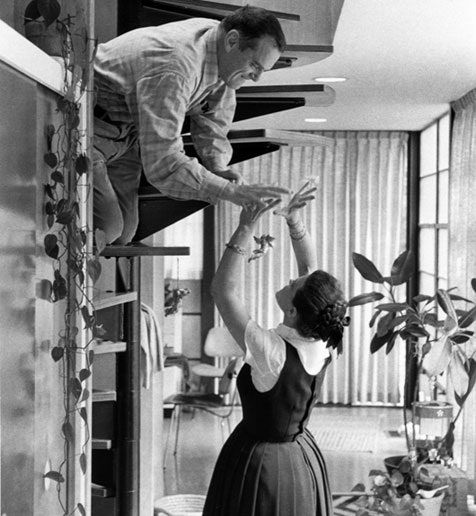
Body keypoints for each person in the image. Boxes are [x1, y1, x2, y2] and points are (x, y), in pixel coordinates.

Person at [204, 185, 350, 515]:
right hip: (301, 458)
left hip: (257, 464)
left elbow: (223, 291)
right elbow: (310, 268)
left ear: (294, 311)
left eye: (292, 286)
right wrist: (294, 221)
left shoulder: (271, 352)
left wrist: (246, 225)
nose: (288, 281)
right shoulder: (326, 339)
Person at [93, 5, 289, 244]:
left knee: (124, 234)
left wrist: (217, 166)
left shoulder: (220, 47)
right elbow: (163, 163)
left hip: (127, 133)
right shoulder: (176, 67)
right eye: (255, 66)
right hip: (93, 126)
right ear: (233, 40)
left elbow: (214, 117)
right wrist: (229, 192)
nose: (256, 78)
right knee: (109, 229)